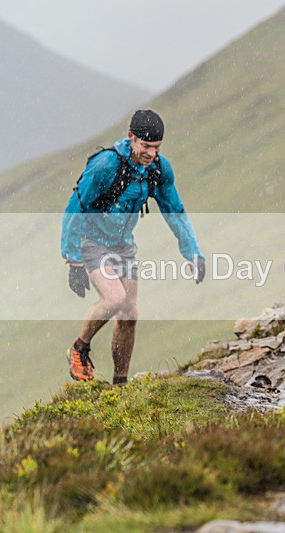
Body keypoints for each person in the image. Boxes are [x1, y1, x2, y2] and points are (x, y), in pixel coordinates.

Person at [61, 110, 205, 385]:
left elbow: (174, 211)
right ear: (131, 138)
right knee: (114, 298)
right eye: (145, 146)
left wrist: (193, 252)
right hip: (91, 242)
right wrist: (74, 261)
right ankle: (80, 348)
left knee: (130, 312)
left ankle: (120, 384)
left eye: (156, 147)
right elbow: (74, 210)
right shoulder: (105, 166)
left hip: (124, 246)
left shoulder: (158, 170)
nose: (151, 153)